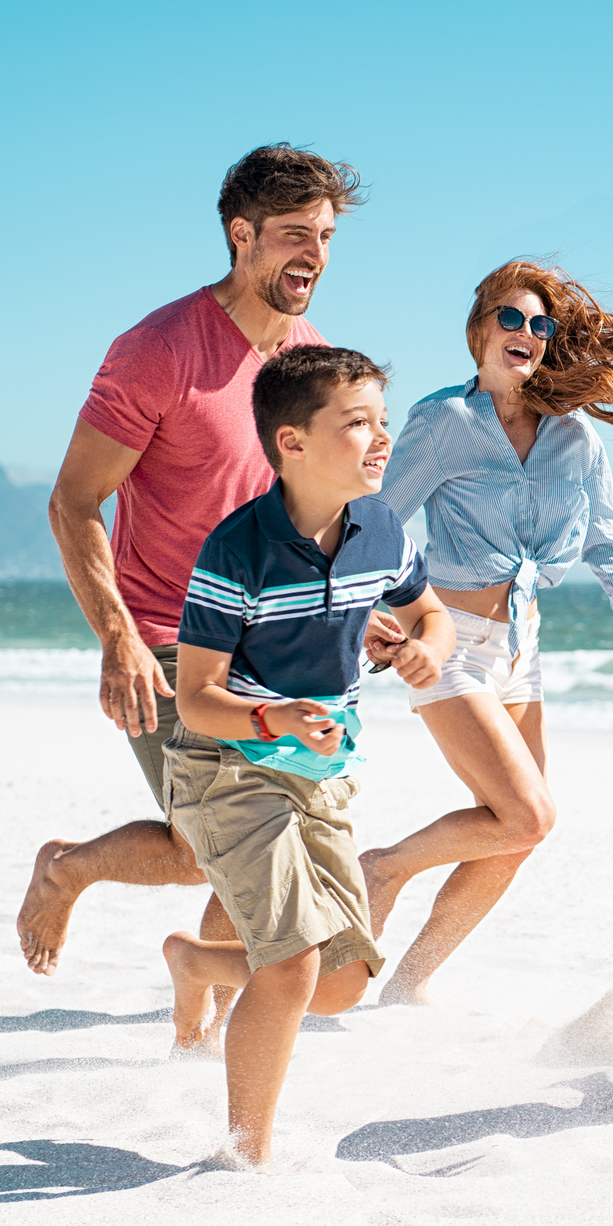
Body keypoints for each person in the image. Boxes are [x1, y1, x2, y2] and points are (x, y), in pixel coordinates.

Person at [19, 145, 366, 994]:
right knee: (217, 845)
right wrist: (118, 640)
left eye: (324, 235)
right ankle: (66, 870)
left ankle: (197, 1016)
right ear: (241, 236)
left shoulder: (307, 355)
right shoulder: (158, 350)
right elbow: (73, 502)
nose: (313, 255)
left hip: (274, 646)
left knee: (236, 846)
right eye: (294, 234)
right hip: (171, 641)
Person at [359, 261, 613, 1004]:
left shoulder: (574, 438)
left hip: (521, 647)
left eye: (540, 325)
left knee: (520, 833)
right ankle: (382, 868)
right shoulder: (442, 423)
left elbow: (609, 534)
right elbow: (377, 519)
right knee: (526, 811)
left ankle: (409, 984)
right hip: (446, 639)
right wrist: (364, 608)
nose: (525, 334)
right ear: (480, 329)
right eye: (511, 319)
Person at [161, 345, 452, 1168]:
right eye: (356, 423)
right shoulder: (236, 551)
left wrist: (427, 646)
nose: (381, 439)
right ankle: (242, 1157)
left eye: (382, 422)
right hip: (229, 765)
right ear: (290, 443)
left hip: (321, 774)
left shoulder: (382, 528)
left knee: (343, 980)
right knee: (290, 967)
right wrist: (275, 716)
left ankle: (196, 962)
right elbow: (196, 697)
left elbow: (431, 615)